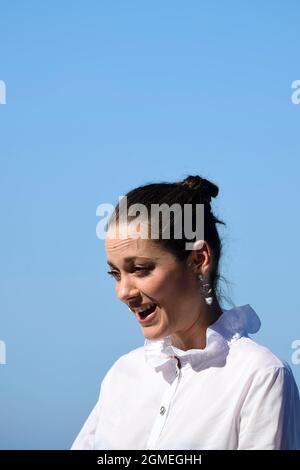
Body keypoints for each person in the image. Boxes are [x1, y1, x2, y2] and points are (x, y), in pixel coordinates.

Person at [71, 175, 300, 450]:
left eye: (140, 269)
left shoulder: (260, 376)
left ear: (198, 259)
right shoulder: (121, 375)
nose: (123, 292)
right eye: (115, 273)